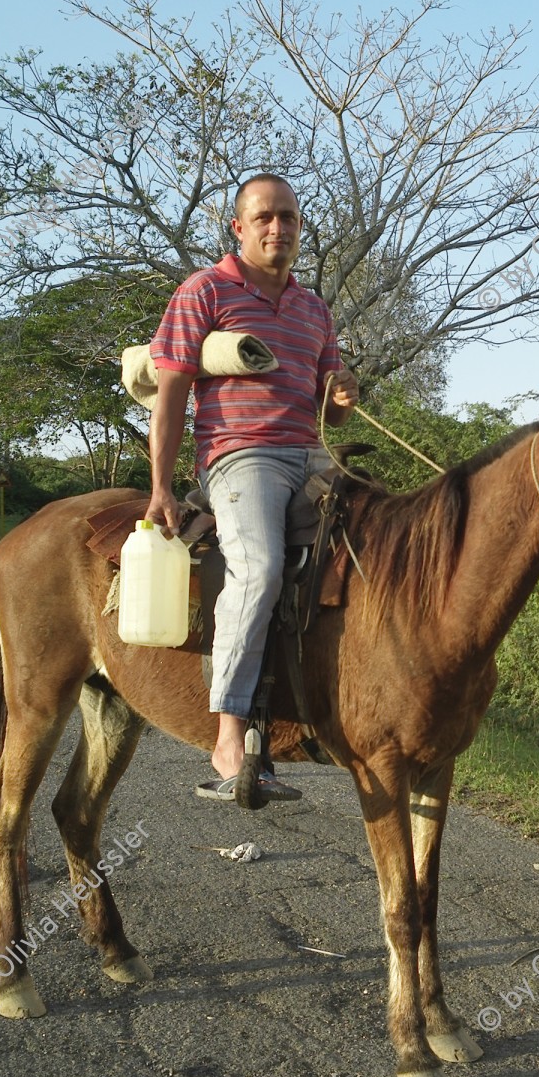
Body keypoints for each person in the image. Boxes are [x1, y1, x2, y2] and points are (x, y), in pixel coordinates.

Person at [145, 173, 360, 801]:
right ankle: (230, 735)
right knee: (261, 568)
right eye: (264, 217)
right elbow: (172, 392)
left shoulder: (314, 308)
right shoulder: (204, 291)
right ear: (238, 228)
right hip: (242, 457)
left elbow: (333, 411)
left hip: (312, 454)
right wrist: (161, 485)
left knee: (382, 547)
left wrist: (341, 395)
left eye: (288, 217)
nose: (278, 228)